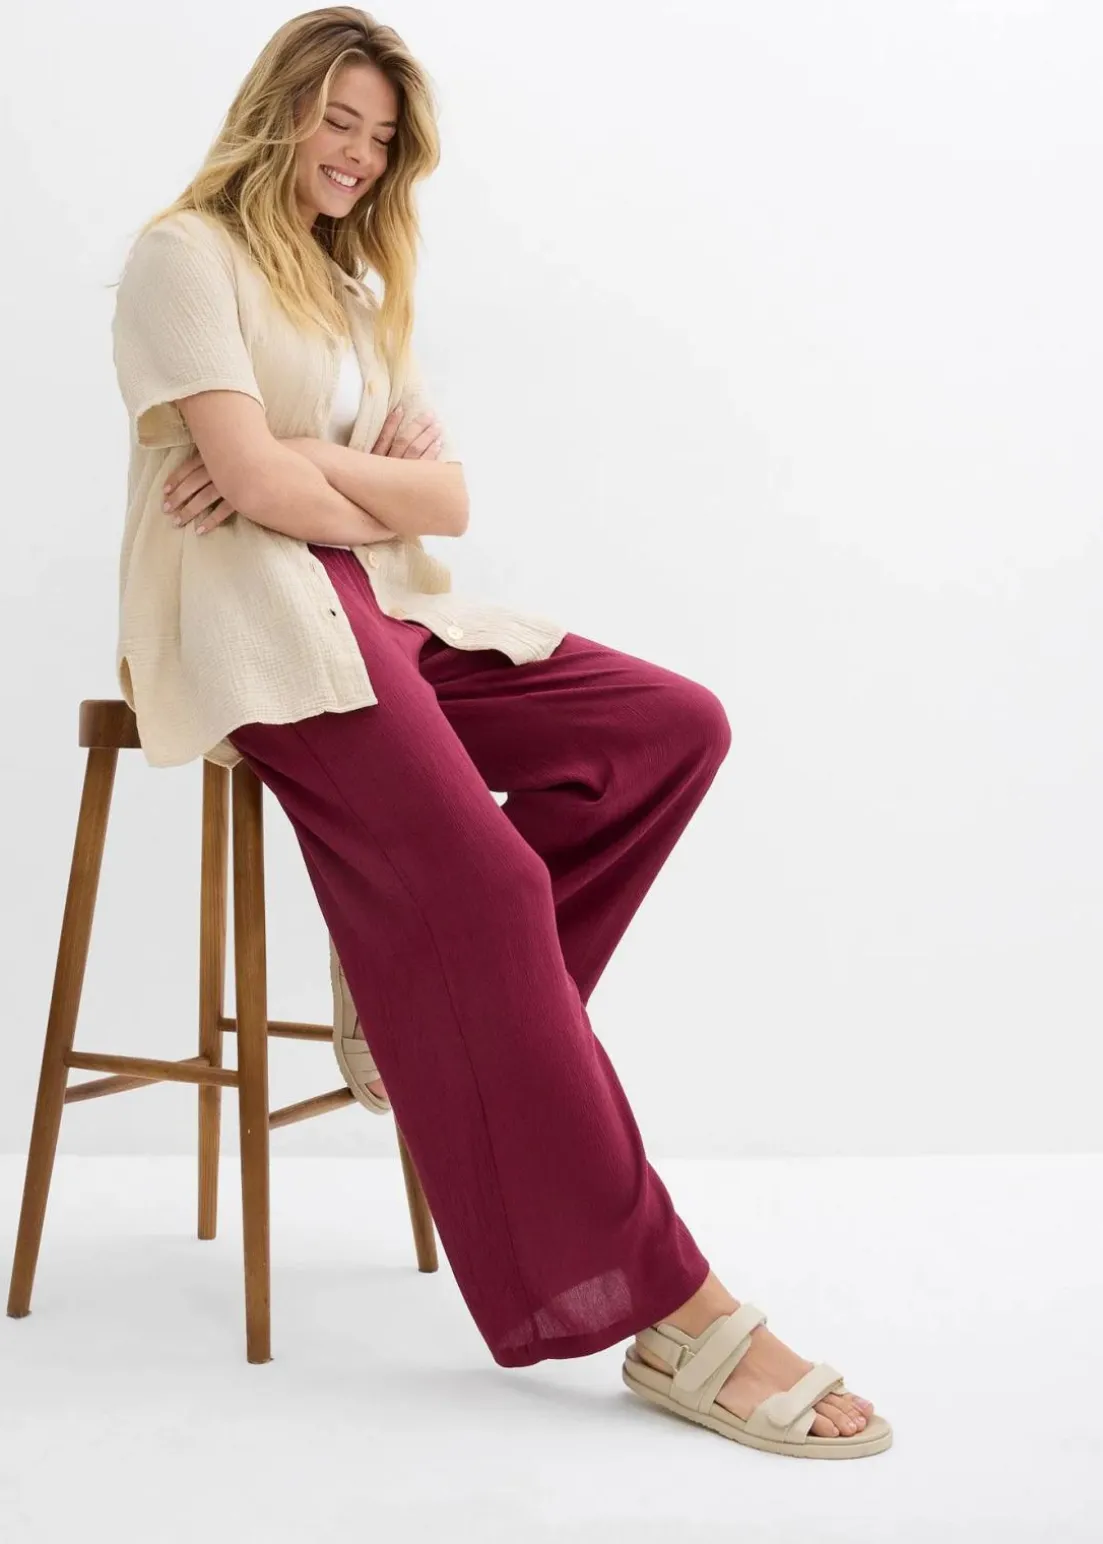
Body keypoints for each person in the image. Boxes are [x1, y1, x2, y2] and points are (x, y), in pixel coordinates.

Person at [110, 6, 889, 1458]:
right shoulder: (183, 257)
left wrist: (298, 462)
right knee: (490, 885)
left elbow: (442, 500)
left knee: (668, 728)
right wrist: (324, 479)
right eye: (337, 121)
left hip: (387, 610)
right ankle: (676, 1312)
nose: (356, 155)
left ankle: (420, 1012)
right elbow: (252, 498)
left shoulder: (351, 287)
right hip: (257, 631)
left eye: (380, 137)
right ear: (279, 111)